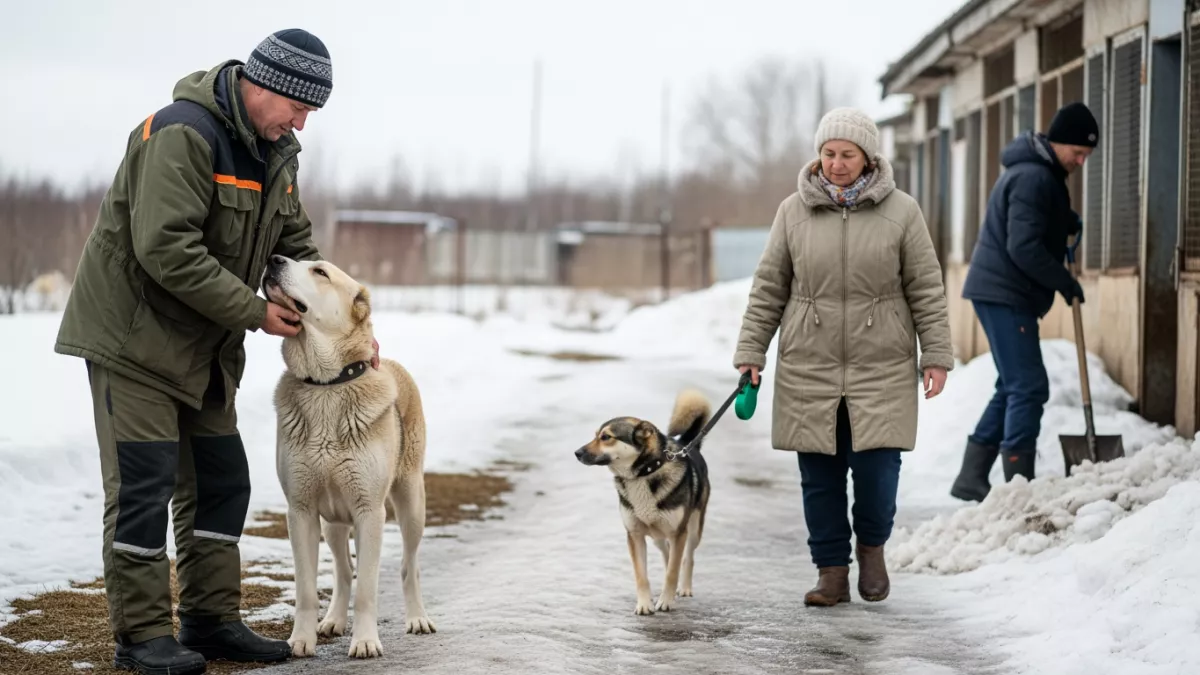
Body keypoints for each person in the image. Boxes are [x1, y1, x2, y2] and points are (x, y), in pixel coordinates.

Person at [54, 29, 376, 673]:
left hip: (205, 345)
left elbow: (297, 244)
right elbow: (165, 248)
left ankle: (209, 620)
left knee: (222, 482)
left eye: (310, 112)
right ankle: (142, 636)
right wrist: (256, 312)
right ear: (264, 85)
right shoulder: (181, 134)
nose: (302, 122)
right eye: (298, 106)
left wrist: (345, 325)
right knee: (144, 486)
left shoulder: (274, 151)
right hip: (135, 340)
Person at [733, 108, 954, 607]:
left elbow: (926, 286)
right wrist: (752, 351)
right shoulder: (793, 211)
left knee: (878, 471)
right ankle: (831, 572)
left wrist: (935, 354)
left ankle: (871, 547)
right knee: (820, 477)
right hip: (810, 362)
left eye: (846, 154)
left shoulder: (903, 212)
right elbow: (769, 286)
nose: (835, 164)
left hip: (883, 362)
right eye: (828, 154)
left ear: (868, 157)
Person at [951, 102, 1097, 501]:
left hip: (1002, 291)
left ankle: (972, 475)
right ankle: (1019, 484)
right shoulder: (1035, 177)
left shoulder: (1040, 174)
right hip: (1005, 292)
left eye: (1087, 156)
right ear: (1060, 142)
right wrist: (1063, 281)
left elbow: (1034, 225)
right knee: (1029, 387)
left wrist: (1061, 220)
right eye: (1078, 153)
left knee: (1013, 385)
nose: (1081, 162)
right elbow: (1024, 246)